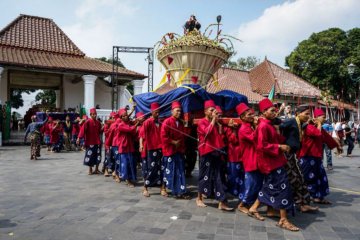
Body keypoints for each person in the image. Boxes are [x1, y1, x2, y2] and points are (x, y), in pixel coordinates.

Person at [255, 98, 298, 231]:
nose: (275, 113)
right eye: (272, 110)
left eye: (275, 111)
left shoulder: (269, 124)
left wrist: (283, 138)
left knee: (271, 186)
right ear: (263, 112)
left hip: (275, 161)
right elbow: (262, 146)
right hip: (270, 162)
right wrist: (279, 147)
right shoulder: (263, 126)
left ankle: (254, 208)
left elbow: (276, 139)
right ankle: (283, 220)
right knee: (283, 188)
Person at [298, 108, 342, 205]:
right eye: (323, 117)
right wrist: (318, 124)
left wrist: (337, 146)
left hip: (316, 157)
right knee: (308, 178)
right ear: (317, 117)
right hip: (307, 157)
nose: (325, 119)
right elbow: (317, 134)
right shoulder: (309, 127)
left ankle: (318, 197)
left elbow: (327, 138)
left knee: (320, 178)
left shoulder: (319, 127)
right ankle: (303, 199)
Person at [196, 100, 233, 211]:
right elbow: (207, 133)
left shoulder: (216, 123)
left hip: (216, 152)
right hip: (206, 152)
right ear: (205, 111)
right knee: (204, 175)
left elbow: (219, 138)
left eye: (214, 111)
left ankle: (222, 202)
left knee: (219, 177)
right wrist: (213, 121)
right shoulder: (202, 122)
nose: (213, 113)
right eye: (211, 110)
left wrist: (217, 123)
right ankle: (199, 198)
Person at [280, 105, 318, 212]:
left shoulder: (300, 124)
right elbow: (279, 127)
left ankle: (303, 204)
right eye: (306, 114)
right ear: (298, 113)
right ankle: (291, 203)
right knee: (294, 179)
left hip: (293, 155)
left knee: (300, 178)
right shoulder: (291, 121)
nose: (308, 116)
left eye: (309, 114)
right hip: (286, 155)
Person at [236, 103, 264, 219]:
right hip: (250, 158)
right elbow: (255, 138)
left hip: (255, 158)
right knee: (251, 183)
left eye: (252, 114)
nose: (252, 116)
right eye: (249, 114)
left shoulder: (249, 125)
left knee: (257, 182)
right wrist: (257, 126)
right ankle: (242, 204)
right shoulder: (244, 128)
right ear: (242, 117)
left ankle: (251, 203)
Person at [161, 101, 190, 199]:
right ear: (171, 111)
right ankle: (164, 188)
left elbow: (184, 136)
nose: (179, 113)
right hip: (170, 151)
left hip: (179, 151)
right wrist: (173, 142)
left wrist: (186, 126)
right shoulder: (167, 122)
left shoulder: (181, 123)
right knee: (169, 171)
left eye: (180, 111)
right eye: (177, 111)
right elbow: (163, 137)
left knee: (180, 171)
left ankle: (180, 191)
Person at [140, 102, 166, 197]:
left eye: (159, 112)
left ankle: (162, 188)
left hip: (160, 147)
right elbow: (142, 135)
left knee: (160, 168)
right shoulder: (147, 122)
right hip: (151, 147)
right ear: (152, 111)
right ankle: (145, 187)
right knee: (151, 168)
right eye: (156, 112)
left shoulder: (160, 122)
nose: (158, 114)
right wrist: (141, 145)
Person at [117, 108, 140, 187]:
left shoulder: (128, 123)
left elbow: (132, 129)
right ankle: (127, 180)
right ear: (121, 117)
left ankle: (131, 178)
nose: (126, 116)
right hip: (123, 147)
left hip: (130, 146)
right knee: (125, 164)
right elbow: (130, 129)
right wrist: (137, 124)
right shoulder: (120, 125)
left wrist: (136, 120)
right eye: (124, 116)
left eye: (126, 115)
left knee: (131, 163)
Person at [77, 108, 103, 175]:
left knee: (98, 156)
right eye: (93, 114)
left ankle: (96, 169)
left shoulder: (98, 123)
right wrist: (79, 138)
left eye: (95, 114)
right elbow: (83, 130)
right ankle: (90, 169)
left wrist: (103, 128)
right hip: (90, 142)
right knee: (90, 156)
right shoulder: (87, 122)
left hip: (97, 142)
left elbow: (100, 131)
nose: (95, 115)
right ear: (91, 115)